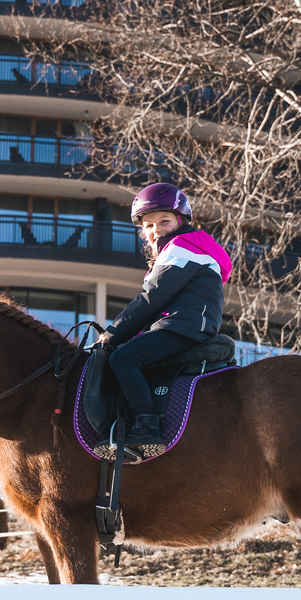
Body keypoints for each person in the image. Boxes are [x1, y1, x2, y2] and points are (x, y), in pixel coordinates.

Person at [102, 184, 233, 447]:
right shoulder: (187, 248)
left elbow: (152, 298)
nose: (155, 230)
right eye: (148, 226)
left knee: (123, 358)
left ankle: (144, 425)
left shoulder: (182, 246)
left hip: (180, 327)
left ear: (180, 220)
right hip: (187, 325)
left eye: (164, 221)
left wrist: (112, 334)